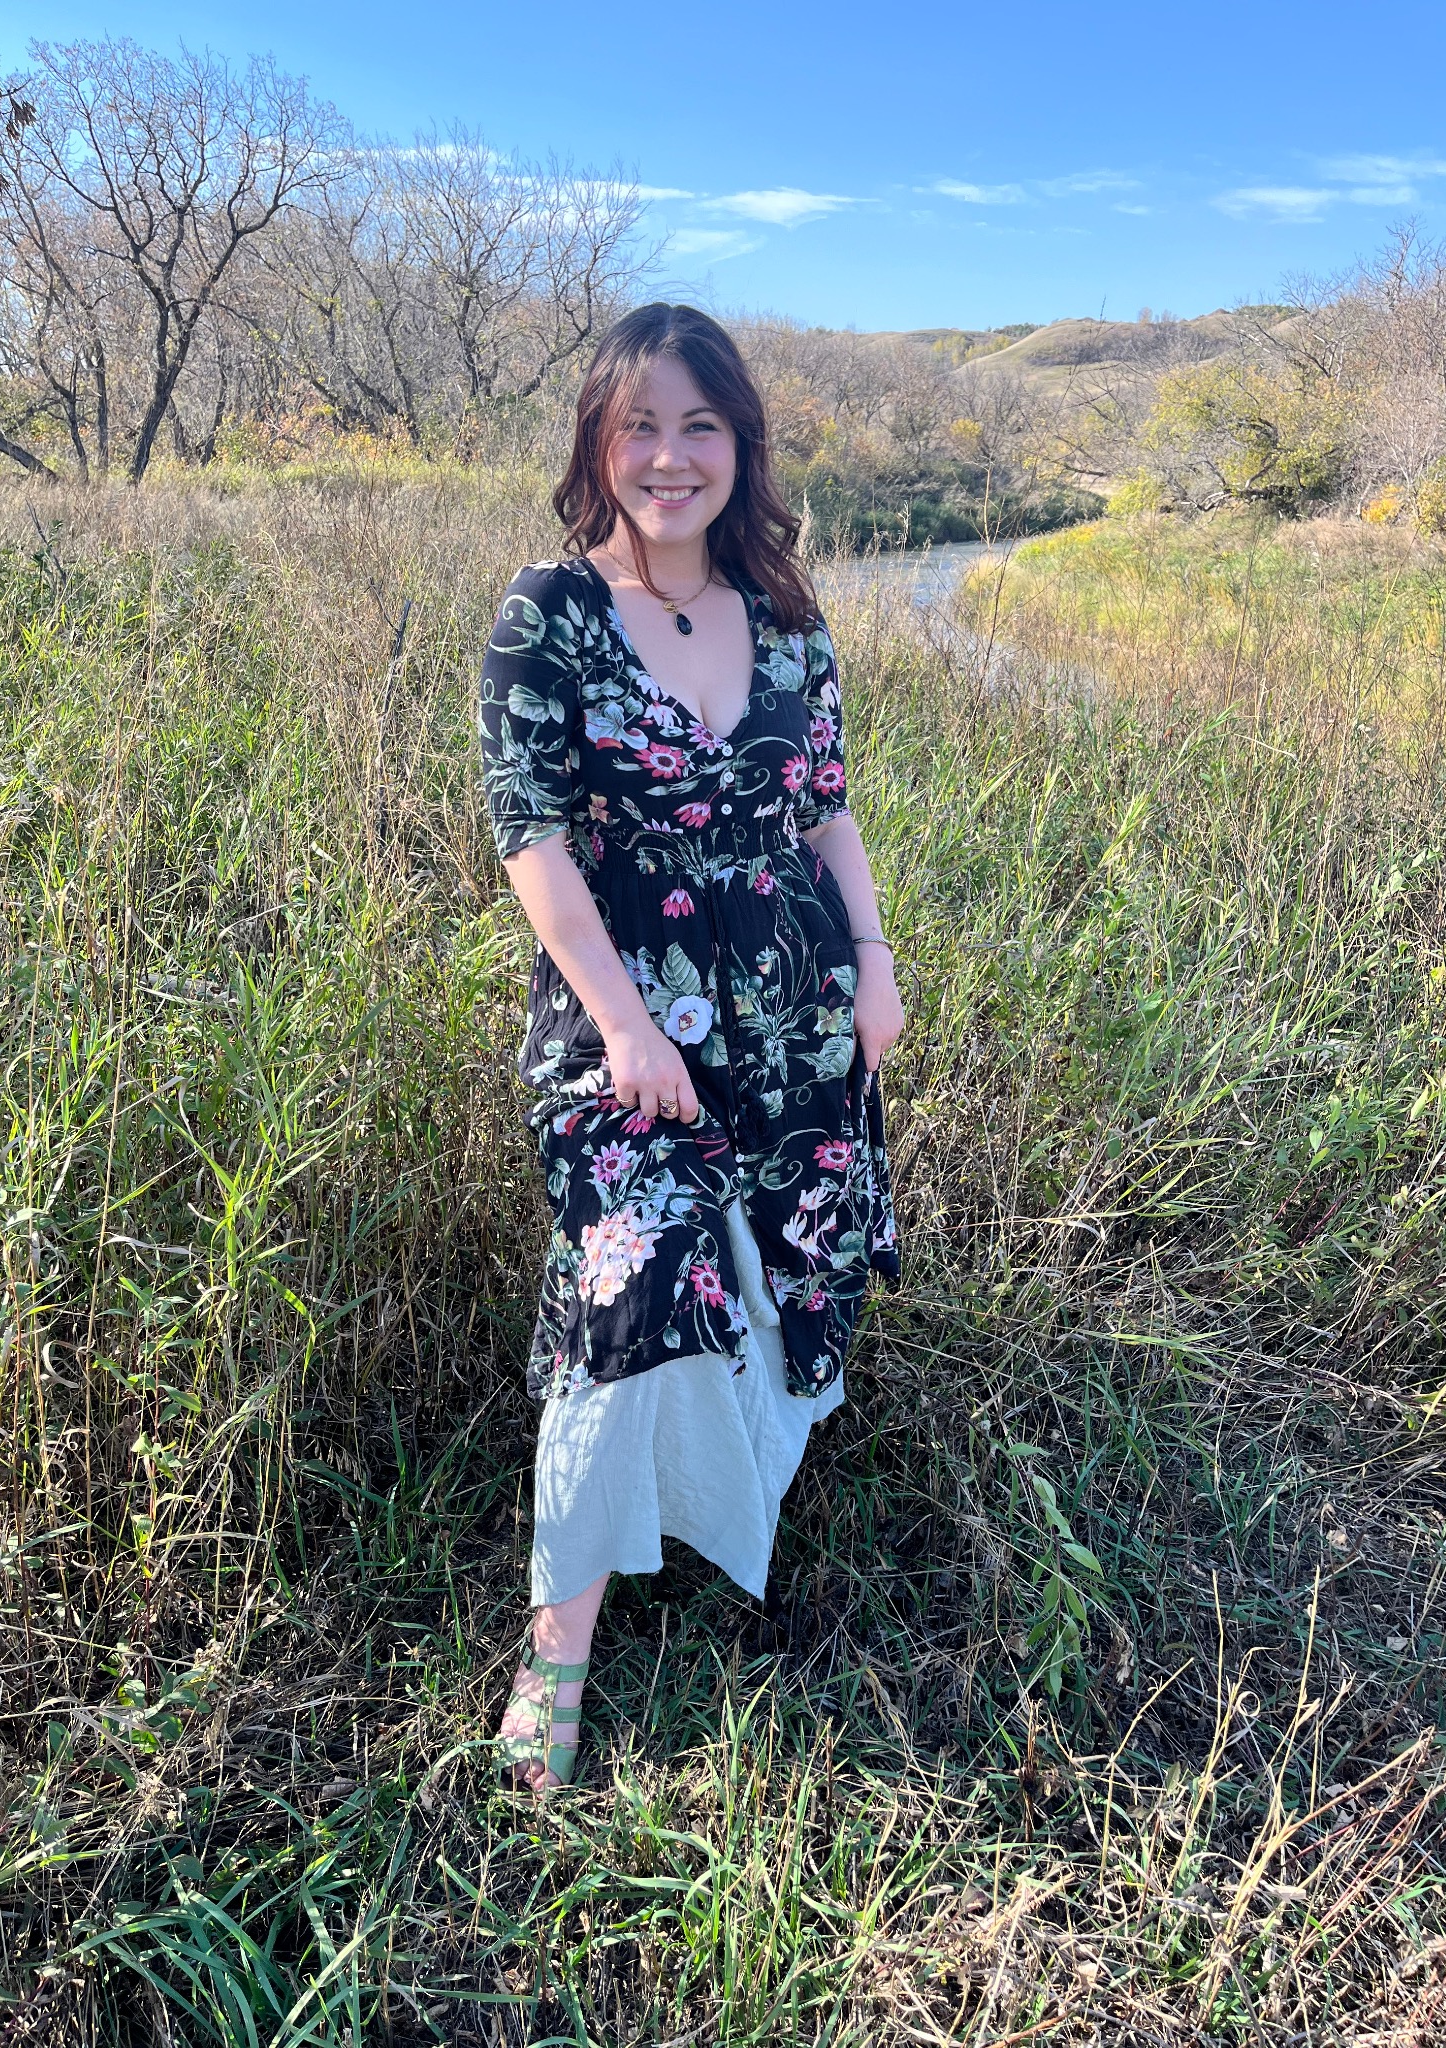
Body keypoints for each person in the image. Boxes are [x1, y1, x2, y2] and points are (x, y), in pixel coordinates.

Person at [479, 303, 904, 1790]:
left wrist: (874, 963)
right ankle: (557, 1650)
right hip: (628, 1016)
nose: (670, 458)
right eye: (640, 426)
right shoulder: (550, 611)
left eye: (699, 426)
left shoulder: (787, 614)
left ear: (741, 444)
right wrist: (624, 1027)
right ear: (599, 442)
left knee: (789, 1257)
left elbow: (826, 807)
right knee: (633, 1285)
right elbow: (532, 838)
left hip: (794, 1006)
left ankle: (730, 1510)